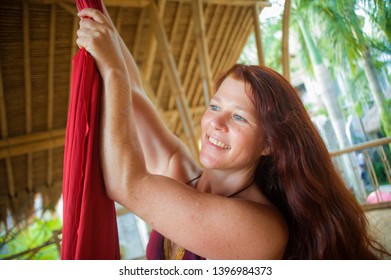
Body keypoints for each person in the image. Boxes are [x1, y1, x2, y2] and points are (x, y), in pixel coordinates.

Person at [75, 3, 390, 259]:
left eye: (239, 118)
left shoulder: (261, 229)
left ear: (268, 143)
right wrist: (99, 19)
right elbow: (134, 89)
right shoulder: (183, 174)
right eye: (214, 107)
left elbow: (126, 184)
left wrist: (112, 69)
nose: (217, 123)